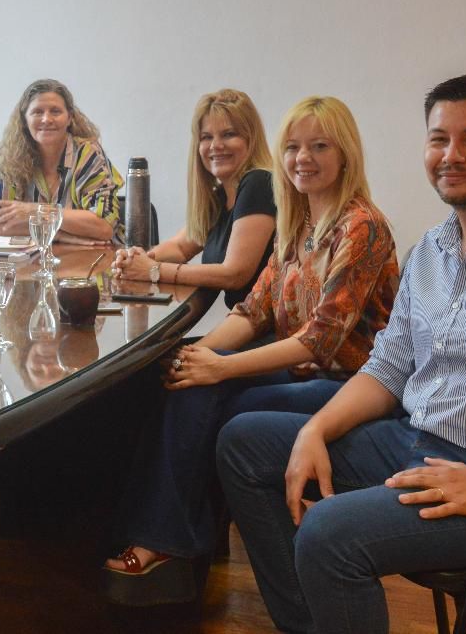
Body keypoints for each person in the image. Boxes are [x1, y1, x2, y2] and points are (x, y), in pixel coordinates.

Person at [217, 75, 466, 634]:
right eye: (439, 139)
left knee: (329, 535)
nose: (452, 155)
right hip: (415, 440)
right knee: (243, 442)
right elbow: (388, 368)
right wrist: (314, 430)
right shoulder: (430, 251)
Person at [102, 96, 399, 607]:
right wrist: (197, 357)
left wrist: (219, 368)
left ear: (345, 154)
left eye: (319, 146)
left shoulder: (361, 226)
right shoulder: (297, 224)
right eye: (293, 147)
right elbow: (252, 311)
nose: (303, 158)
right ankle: (162, 537)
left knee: (210, 398)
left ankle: (165, 541)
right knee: (180, 377)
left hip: (350, 387)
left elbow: (319, 341)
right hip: (300, 372)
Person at [113, 88, 276, 309]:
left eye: (228, 134)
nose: (215, 146)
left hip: (266, 327)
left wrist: (153, 270)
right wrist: (136, 258)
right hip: (243, 319)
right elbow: (180, 247)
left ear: (251, 139)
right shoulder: (221, 196)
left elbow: (234, 274)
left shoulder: (259, 183)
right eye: (206, 137)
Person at [0, 78, 124, 243]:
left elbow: (104, 226)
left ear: (69, 118)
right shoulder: (12, 158)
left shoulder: (87, 154)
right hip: (40, 256)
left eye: (55, 111)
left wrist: (35, 211)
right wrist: (59, 235)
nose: (47, 119)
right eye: (38, 112)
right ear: (24, 120)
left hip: (94, 255)